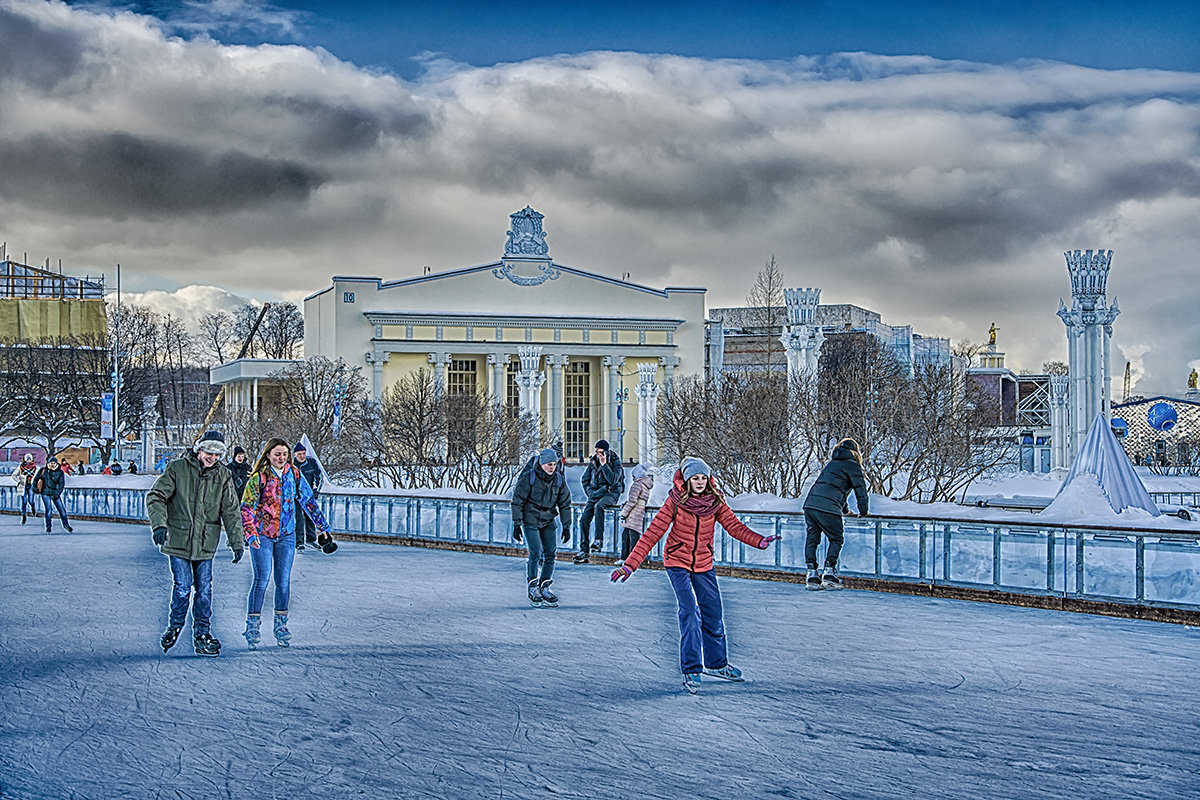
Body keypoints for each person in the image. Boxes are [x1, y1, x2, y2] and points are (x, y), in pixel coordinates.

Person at [611, 457, 780, 694]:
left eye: (703, 477)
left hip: (703, 563)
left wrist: (759, 541)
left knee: (713, 611)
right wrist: (629, 565)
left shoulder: (716, 501)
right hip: (677, 563)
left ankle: (717, 664)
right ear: (687, 480)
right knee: (689, 610)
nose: (700, 482)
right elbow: (652, 534)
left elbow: (735, 526)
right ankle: (691, 668)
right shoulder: (675, 502)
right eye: (695, 478)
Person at [146, 430, 245, 657]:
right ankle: (175, 626)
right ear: (199, 449)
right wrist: (159, 525)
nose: (212, 458)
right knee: (182, 588)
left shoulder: (223, 475)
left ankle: (202, 634)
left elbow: (230, 511)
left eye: (217, 454)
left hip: (205, 542)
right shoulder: (177, 468)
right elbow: (156, 496)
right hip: (178, 539)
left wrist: (236, 541)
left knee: (204, 591)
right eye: (209, 452)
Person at [240, 438, 334, 649]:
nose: (281, 458)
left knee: (283, 581)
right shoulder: (259, 478)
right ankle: (253, 624)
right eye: (277, 455)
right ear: (268, 456)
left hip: (287, 535)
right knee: (262, 580)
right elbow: (246, 507)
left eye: (284, 454)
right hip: (263, 535)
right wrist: (250, 533)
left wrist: (323, 526)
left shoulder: (295, 474)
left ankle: (281, 624)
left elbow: (308, 501)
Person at [801, 438, 869, 591]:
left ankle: (812, 574)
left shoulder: (832, 464)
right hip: (827, 508)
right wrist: (863, 512)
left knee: (813, 538)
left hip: (810, 505)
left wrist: (845, 510)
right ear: (855, 452)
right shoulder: (853, 465)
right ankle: (829, 572)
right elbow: (860, 490)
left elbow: (835, 490)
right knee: (836, 538)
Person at [510, 447, 572, 607]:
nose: (552, 467)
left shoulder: (558, 479)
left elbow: (565, 503)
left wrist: (566, 525)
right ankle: (532, 585)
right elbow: (517, 500)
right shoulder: (529, 477)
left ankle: (544, 585)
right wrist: (517, 524)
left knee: (550, 554)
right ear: (542, 464)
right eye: (549, 464)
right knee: (536, 553)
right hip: (530, 519)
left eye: (554, 464)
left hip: (548, 519)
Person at [573, 439, 624, 564]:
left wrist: (604, 465)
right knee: (584, 519)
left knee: (599, 507)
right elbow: (584, 480)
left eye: (600, 452)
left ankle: (598, 540)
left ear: (606, 452)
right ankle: (584, 550)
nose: (598, 455)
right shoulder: (593, 462)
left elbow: (613, 480)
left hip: (610, 493)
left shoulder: (615, 462)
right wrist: (590, 492)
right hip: (595, 493)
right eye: (596, 452)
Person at [616, 462, 654, 566]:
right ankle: (631, 559)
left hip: (632, 514)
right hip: (639, 513)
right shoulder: (645, 485)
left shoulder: (637, 485)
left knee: (627, 537)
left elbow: (632, 501)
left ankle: (628, 559)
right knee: (633, 536)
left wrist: (623, 513)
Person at [292, 441, 322, 551]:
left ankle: (311, 539)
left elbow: (319, 477)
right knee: (299, 518)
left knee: (311, 516)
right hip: (296, 497)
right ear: (295, 455)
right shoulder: (291, 466)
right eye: (299, 454)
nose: (302, 456)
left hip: (309, 496)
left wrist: (315, 490)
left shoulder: (311, 463)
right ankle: (299, 541)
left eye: (303, 454)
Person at [34, 457, 72, 533]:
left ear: (56, 464)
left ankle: (66, 525)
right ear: (48, 463)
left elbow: (61, 485)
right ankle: (48, 527)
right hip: (45, 493)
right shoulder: (43, 470)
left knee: (61, 510)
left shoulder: (60, 472)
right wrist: (35, 489)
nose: (52, 465)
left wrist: (57, 493)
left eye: (54, 463)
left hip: (55, 493)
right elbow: (36, 479)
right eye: (51, 463)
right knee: (48, 510)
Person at [10, 454, 39, 524]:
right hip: (23, 486)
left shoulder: (35, 468)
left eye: (30, 458)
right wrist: (19, 481)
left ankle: (33, 507)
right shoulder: (20, 467)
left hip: (31, 486)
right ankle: (24, 516)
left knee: (30, 500)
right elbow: (13, 475)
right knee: (24, 502)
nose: (28, 460)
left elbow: (38, 477)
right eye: (27, 458)